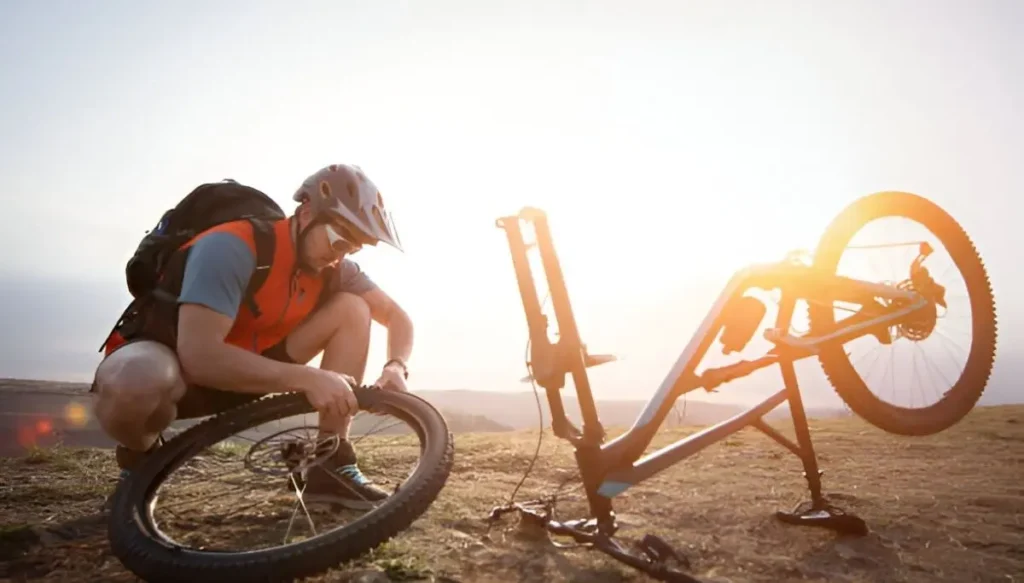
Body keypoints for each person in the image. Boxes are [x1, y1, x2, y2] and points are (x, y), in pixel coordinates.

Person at [90, 163, 413, 509]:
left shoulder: (334, 269)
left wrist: (396, 366)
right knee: (133, 383)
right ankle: (141, 463)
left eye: (352, 249)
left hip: (250, 369)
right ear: (306, 212)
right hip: (179, 368)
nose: (339, 255)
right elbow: (200, 357)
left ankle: (330, 464)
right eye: (338, 239)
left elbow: (397, 317)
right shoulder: (231, 247)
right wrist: (309, 377)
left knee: (353, 308)